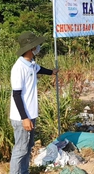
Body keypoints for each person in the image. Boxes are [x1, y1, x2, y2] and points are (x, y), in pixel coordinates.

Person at [9, 31, 59, 174]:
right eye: (36, 45)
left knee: (28, 147)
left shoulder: (30, 64)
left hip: (31, 114)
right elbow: (16, 95)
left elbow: (39, 69)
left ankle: (24, 172)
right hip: (22, 117)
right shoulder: (18, 68)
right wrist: (25, 118)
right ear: (31, 48)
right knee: (20, 149)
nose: (38, 47)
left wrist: (52, 72)